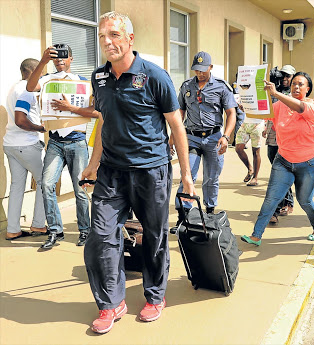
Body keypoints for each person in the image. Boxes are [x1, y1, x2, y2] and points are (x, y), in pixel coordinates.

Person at [80, 11, 195, 333]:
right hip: (111, 172)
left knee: (154, 237)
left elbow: (176, 125)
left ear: (130, 39)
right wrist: (92, 163)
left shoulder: (155, 76)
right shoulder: (99, 77)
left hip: (151, 170)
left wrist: (186, 175)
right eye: (103, 36)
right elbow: (103, 120)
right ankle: (110, 303)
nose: (107, 42)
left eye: (114, 35)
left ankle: (155, 296)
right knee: (101, 237)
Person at [26, 44, 99, 249]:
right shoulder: (47, 79)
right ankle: (55, 231)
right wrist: (42, 61)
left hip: (77, 140)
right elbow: (30, 87)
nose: (60, 60)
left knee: (80, 189)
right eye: (56, 57)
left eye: (64, 56)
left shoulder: (83, 83)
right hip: (55, 141)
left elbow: (96, 112)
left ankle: (85, 230)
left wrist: (71, 108)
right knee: (47, 184)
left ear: (71, 59)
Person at [241, 72, 314, 246]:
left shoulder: (311, 106)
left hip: (308, 163)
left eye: (301, 84)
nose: (296, 86)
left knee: (304, 200)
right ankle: (256, 235)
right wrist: (247, 104)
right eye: (294, 83)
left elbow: (299, 108)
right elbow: (262, 113)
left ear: (308, 89)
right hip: (284, 161)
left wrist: (276, 93)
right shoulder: (280, 106)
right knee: (271, 198)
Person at [174, 51, 236, 217]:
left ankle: (209, 213)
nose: (200, 73)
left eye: (203, 69)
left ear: (211, 67)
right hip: (192, 138)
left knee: (211, 178)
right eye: (196, 70)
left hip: (214, 138)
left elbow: (231, 113)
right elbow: (180, 112)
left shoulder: (222, 87)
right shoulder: (187, 86)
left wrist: (226, 137)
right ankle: (183, 216)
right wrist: (173, 136)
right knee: (188, 176)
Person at [3, 58, 48, 240]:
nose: (42, 76)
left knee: (17, 186)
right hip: (26, 144)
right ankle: (38, 225)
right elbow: (21, 121)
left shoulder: (14, 87)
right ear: (32, 71)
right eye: (41, 72)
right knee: (45, 183)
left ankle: (12, 229)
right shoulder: (25, 91)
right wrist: (40, 128)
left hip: (11, 144)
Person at [265, 64, 296, 222]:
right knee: (276, 167)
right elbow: (267, 109)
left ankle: (280, 207)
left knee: (280, 171)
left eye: (288, 76)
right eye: (282, 75)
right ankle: (286, 201)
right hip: (272, 134)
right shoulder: (273, 90)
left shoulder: (294, 93)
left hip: (287, 137)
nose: (285, 79)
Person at [234, 99, 265, 187]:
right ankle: (250, 168)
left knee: (256, 152)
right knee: (238, 148)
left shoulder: (262, 91)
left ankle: (255, 177)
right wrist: (243, 108)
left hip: (258, 124)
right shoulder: (247, 92)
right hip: (246, 123)